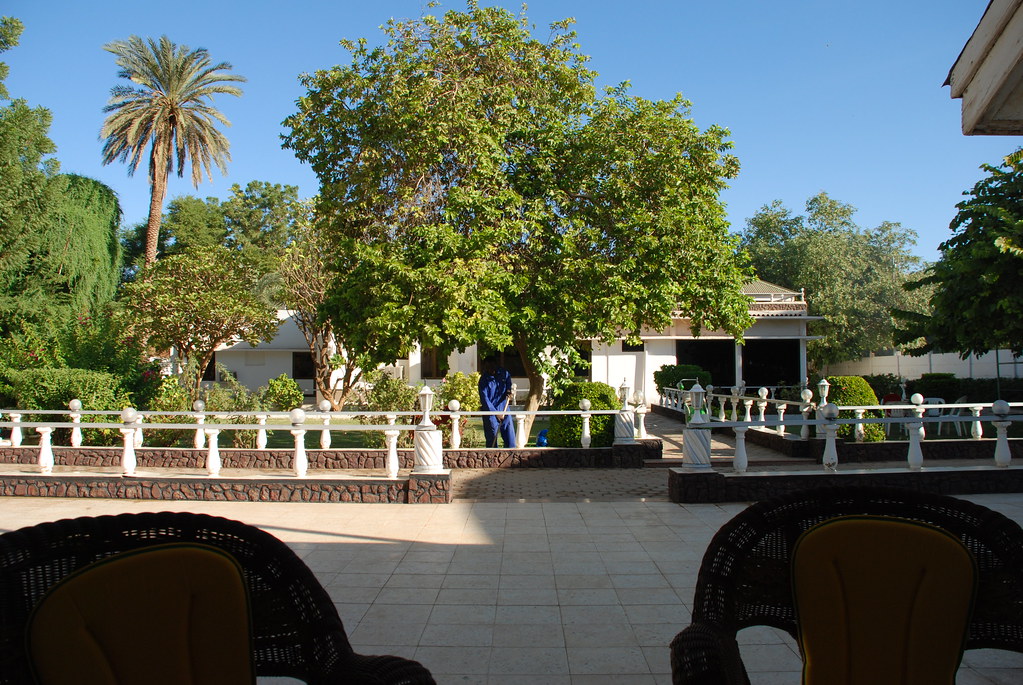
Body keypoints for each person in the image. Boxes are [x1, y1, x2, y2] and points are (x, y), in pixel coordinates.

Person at [478, 361, 516, 448]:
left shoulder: (503, 373)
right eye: (487, 367)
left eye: (492, 366)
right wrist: (496, 413)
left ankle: (511, 452)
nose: (490, 369)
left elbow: (508, 382)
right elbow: (485, 399)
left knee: (509, 433)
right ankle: (492, 454)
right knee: (492, 436)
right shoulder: (483, 380)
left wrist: (508, 391)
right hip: (490, 411)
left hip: (503, 407)